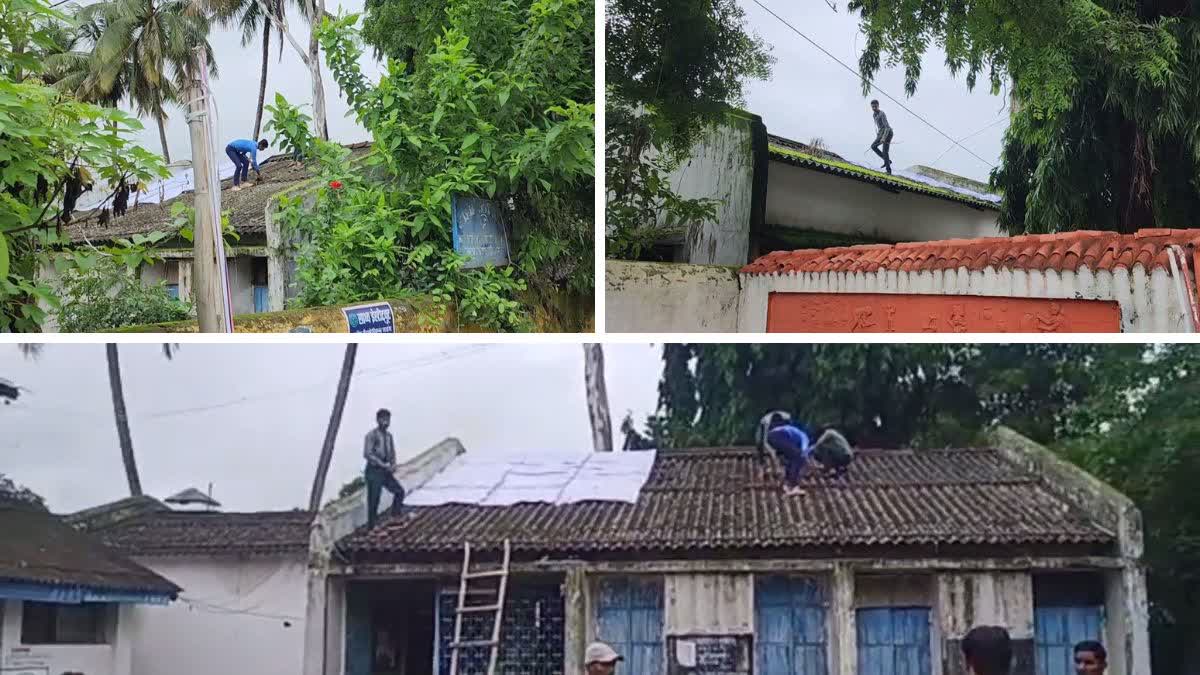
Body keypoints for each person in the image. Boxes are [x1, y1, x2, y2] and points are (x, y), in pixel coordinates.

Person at [364, 408, 405, 529]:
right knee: (374, 498)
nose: (386, 422)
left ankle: (395, 515)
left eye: (388, 419)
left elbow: (392, 452)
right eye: (384, 419)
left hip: (385, 470)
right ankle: (371, 526)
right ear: (378, 420)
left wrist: (393, 464)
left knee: (399, 491)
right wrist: (382, 464)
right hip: (374, 470)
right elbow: (367, 454)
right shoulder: (371, 435)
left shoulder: (389, 436)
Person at [756, 410, 813, 496]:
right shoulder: (804, 437)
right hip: (777, 436)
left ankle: (786, 483)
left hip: (772, 437)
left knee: (790, 459)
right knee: (798, 457)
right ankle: (793, 486)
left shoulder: (792, 432)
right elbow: (804, 451)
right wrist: (805, 460)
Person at [870, 99, 894, 174]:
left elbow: (886, 127)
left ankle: (888, 171)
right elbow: (879, 127)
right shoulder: (874, 115)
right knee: (873, 146)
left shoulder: (881, 113)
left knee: (885, 151)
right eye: (872, 107)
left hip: (888, 132)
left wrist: (883, 138)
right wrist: (878, 135)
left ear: (878, 106)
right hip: (881, 133)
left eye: (875, 106)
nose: (874, 108)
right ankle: (887, 161)